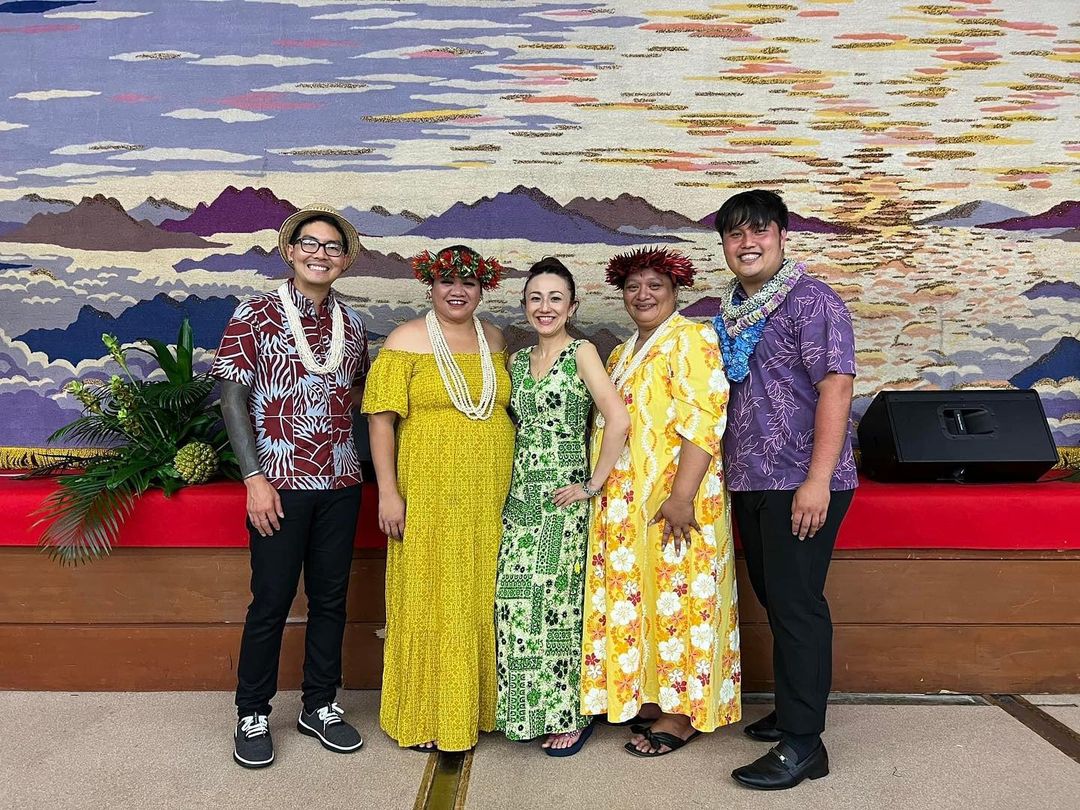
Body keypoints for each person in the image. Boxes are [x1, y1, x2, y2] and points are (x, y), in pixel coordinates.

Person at [213, 203, 369, 769]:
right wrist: (253, 478)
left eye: (332, 247)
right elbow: (231, 399)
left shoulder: (353, 324)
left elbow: (356, 396)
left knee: (330, 599)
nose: (320, 254)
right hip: (277, 482)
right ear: (289, 250)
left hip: (341, 479)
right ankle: (252, 711)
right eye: (310, 244)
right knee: (272, 599)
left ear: (345, 260)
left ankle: (319, 704)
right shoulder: (254, 312)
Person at [713, 190, 857, 791]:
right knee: (776, 598)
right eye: (735, 234)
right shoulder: (732, 309)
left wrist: (817, 481)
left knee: (798, 605)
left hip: (802, 479)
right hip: (751, 478)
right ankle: (794, 710)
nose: (747, 243)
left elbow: (837, 387)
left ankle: (803, 745)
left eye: (760, 231)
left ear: (781, 236)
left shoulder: (811, 300)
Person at [579, 247, 741, 757]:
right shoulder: (621, 353)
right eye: (633, 287)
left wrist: (682, 496)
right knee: (646, 598)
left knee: (682, 597)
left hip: (678, 499)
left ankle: (683, 714)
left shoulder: (692, 338)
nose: (643, 295)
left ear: (675, 291)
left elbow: (705, 419)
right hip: (629, 501)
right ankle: (651, 696)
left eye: (655, 286)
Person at [362, 245, 515, 752]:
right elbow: (380, 422)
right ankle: (427, 713)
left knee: (479, 595)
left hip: (488, 492)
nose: (457, 290)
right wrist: (388, 493)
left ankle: (475, 709)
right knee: (430, 593)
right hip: (426, 491)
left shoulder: (495, 338)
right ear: (430, 285)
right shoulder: (404, 339)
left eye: (469, 282)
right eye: (448, 280)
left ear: (482, 289)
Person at [494, 258, 630, 756]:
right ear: (524, 305)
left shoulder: (582, 352)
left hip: (562, 495)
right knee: (514, 603)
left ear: (572, 307)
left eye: (556, 298)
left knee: (557, 607)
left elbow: (618, 420)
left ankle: (569, 713)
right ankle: (524, 711)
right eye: (536, 298)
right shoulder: (516, 361)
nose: (545, 307)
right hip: (520, 495)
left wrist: (592, 484)